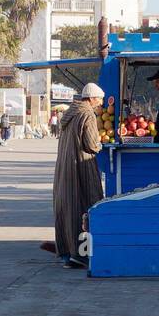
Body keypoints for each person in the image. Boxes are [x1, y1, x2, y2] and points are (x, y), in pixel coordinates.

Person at [52, 83, 108, 269]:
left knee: (67, 208)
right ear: (91, 98)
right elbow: (92, 144)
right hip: (81, 167)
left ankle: (67, 254)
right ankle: (81, 254)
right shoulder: (87, 115)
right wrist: (101, 144)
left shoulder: (70, 114)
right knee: (86, 206)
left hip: (64, 169)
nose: (100, 104)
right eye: (99, 100)